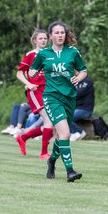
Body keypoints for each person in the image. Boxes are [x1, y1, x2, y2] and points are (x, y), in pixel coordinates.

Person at [29, 20, 87, 182]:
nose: (60, 35)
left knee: (63, 135)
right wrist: (31, 73)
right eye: (57, 33)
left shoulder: (73, 52)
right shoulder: (43, 54)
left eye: (62, 32)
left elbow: (83, 70)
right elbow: (32, 72)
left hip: (69, 97)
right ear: (50, 36)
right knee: (66, 133)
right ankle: (70, 171)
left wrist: (78, 78)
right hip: (52, 97)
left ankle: (52, 160)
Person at [15, 29, 54, 160]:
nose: (43, 40)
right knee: (49, 120)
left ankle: (23, 137)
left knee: (51, 123)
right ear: (35, 41)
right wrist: (29, 84)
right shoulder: (31, 55)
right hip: (35, 92)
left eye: (45, 38)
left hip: (48, 92)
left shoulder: (50, 54)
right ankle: (43, 153)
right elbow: (19, 73)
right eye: (40, 38)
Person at [70, 75, 95, 141]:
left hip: (85, 109)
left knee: (67, 117)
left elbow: (77, 93)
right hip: (75, 108)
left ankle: (79, 132)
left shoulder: (87, 81)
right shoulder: (74, 80)